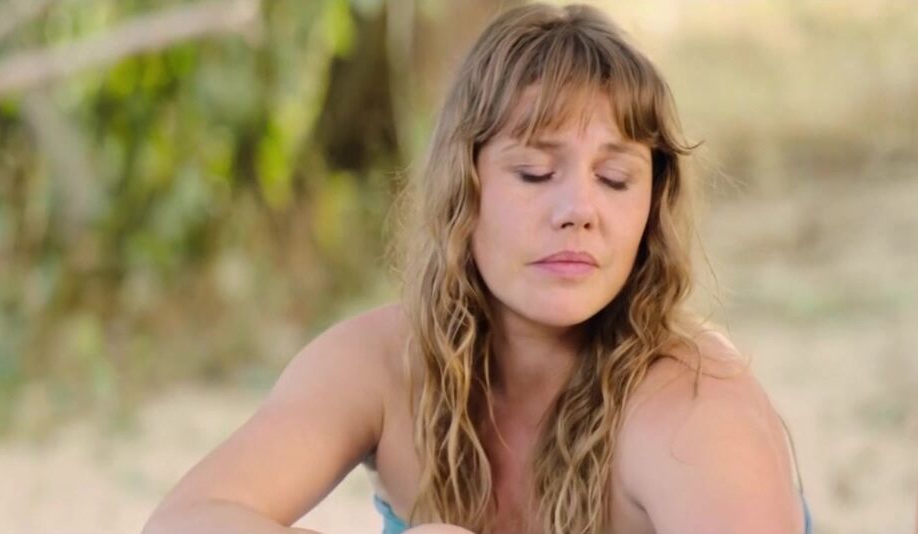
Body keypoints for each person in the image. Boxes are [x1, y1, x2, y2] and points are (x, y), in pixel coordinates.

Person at [143, 3, 810, 534]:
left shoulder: (693, 407)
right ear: (465, 188)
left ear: (651, 207)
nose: (579, 212)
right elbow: (184, 521)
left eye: (615, 179)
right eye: (535, 172)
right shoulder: (384, 364)